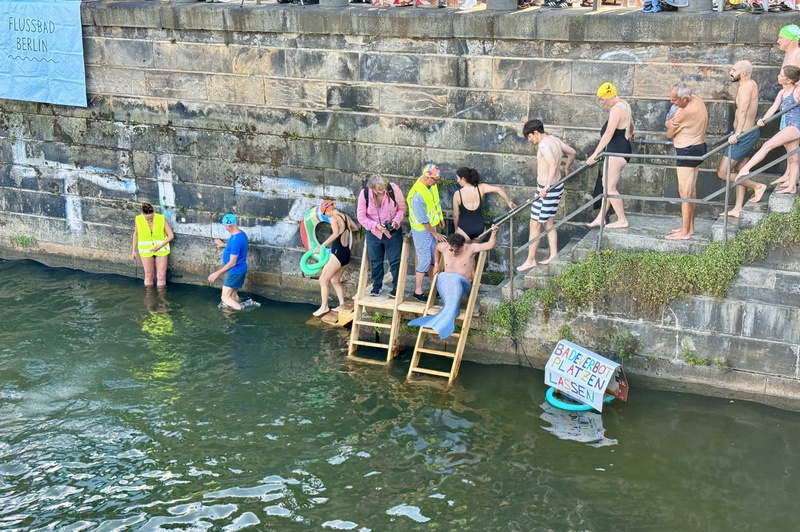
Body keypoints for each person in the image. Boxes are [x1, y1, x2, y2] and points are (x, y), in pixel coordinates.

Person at [409, 226, 498, 340]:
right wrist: (436, 264)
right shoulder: (445, 247)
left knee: (454, 278)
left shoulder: (470, 248)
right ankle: (451, 311)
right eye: (452, 250)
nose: (454, 252)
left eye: (457, 250)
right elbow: (437, 247)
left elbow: (489, 245)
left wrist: (494, 233)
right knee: (441, 276)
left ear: (463, 246)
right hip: (448, 288)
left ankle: (447, 314)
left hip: (464, 286)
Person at [517, 119, 576, 272]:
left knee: (535, 224)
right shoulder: (554, 140)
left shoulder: (543, 144)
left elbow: (553, 164)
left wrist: (548, 185)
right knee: (548, 222)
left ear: (536, 133)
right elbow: (572, 153)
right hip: (554, 187)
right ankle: (554, 254)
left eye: (529, 137)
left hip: (547, 189)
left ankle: (530, 259)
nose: (530, 140)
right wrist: (568, 168)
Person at [737, 66, 800, 192]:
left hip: (794, 126)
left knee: (767, 145)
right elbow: (773, 108)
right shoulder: (782, 92)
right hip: (787, 125)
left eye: (781, 75)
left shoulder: (797, 90)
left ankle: (746, 168)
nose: (778, 76)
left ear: (788, 80)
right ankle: (792, 186)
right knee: (793, 158)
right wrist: (763, 120)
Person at [717, 61, 766, 218]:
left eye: (734, 70)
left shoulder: (745, 88)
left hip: (744, 135)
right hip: (748, 133)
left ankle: (757, 186)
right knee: (740, 171)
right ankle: (737, 209)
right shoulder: (751, 84)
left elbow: (743, 111)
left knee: (723, 173)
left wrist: (737, 134)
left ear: (743, 73)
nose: (731, 72)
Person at [587, 82, 634, 229]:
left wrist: (595, 155)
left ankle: (622, 220)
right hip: (620, 149)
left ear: (610, 96)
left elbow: (608, 134)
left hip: (616, 151)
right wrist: (629, 134)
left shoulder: (616, 109)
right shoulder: (624, 104)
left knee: (610, 187)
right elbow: (631, 124)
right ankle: (601, 217)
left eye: (603, 99)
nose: (602, 102)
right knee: (606, 185)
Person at [664, 83, 708, 241]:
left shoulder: (686, 112)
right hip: (698, 147)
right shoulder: (697, 99)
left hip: (687, 150)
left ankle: (684, 232)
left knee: (684, 193)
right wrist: (669, 121)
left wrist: (668, 124)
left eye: (675, 100)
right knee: (691, 191)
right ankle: (690, 226)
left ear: (685, 98)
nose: (672, 103)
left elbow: (669, 134)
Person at [356, 175, 406, 298]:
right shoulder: (365, 194)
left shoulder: (393, 190)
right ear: (372, 188)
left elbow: (402, 209)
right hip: (374, 232)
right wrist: (375, 225)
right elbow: (361, 217)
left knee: (395, 261)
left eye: (383, 189)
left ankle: (396, 287)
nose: (381, 192)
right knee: (375, 261)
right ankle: (376, 286)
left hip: (392, 232)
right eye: (378, 190)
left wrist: (395, 222)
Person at [312, 200, 360, 317]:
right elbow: (355, 228)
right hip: (346, 254)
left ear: (327, 210)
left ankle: (324, 307)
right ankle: (342, 304)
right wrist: (345, 229)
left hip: (337, 254)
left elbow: (335, 234)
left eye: (324, 214)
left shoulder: (333, 218)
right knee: (334, 280)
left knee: (323, 280)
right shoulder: (346, 217)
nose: (325, 216)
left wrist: (321, 246)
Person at [407, 163, 447, 302]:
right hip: (421, 230)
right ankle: (417, 291)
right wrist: (435, 233)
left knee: (431, 256)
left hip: (430, 227)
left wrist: (440, 218)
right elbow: (423, 220)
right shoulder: (417, 196)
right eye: (435, 180)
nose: (437, 183)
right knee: (424, 259)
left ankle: (433, 287)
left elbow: (436, 203)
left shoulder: (430, 185)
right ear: (428, 177)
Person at [452, 167, 515, 242]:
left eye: (458, 178)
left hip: (464, 229)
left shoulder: (457, 194)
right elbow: (498, 189)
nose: (457, 181)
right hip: (480, 229)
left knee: (465, 251)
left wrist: (456, 229)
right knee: (475, 250)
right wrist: (509, 202)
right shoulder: (481, 187)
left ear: (463, 179)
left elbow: (456, 215)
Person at [208, 214, 249, 310]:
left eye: (224, 225)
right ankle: (233, 313)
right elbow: (236, 247)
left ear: (229, 226)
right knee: (233, 296)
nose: (224, 227)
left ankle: (242, 312)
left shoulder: (235, 240)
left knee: (225, 298)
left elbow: (232, 262)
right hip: (241, 269)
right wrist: (224, 245)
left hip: (235, 271)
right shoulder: (241, 234)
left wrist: (217, 273)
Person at [131, 202, 174, 287]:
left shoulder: (161, 218)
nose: (149, 220)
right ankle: (149, 298)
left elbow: (171, 235)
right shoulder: (138, 219)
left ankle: (161, 298)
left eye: (151, 218)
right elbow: (136, 234)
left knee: (161, 276)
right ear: (143, 214)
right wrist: (133, 250)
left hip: (161, 250)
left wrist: (159, 246)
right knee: (148, 276)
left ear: (153, 213)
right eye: (147, 219)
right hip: (145, 250)